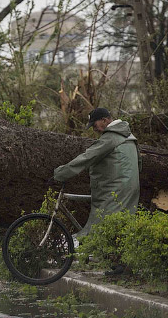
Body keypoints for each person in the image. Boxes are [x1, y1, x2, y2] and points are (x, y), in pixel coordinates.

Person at [52, 107, 140, 275]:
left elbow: (87, 157)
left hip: (115, 189)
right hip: (129, 187)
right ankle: (120, 264)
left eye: (95, 125)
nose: (94, 129)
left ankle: (123, 266)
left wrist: (61, 173)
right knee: (119, 225)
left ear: (105, 120)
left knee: (106, 224)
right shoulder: (129, 136)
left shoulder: (111, 138)